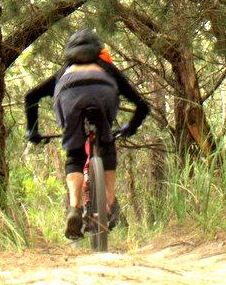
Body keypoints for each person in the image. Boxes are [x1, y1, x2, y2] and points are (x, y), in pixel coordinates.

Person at [24, 27, 150, 239]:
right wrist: (130, 127)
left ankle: (74, 208)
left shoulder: (64, 72)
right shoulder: (106, 67)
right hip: (104, 93)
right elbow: (142, 105)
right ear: (97, 49)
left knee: (75, 154)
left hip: (68, 93)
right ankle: (109, 201)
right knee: (106, 143)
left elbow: (31, 96)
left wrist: (33, 130)